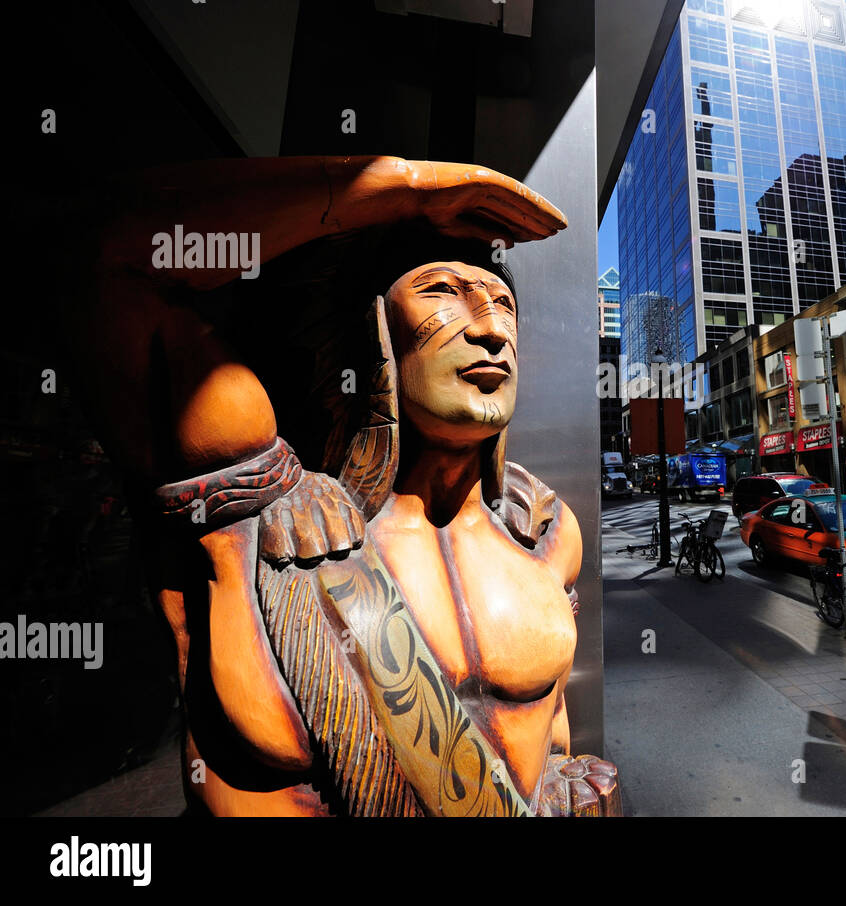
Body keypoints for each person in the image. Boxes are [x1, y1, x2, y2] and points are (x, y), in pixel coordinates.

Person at [62, 157, 618, 816]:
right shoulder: (262, 510)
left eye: (503, 304)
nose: (492, 329)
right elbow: (114, 261)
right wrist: (400, 188)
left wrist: (561, 778)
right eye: (442, 290)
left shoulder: (544, 531)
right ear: (374, 330)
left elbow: (545, 731)